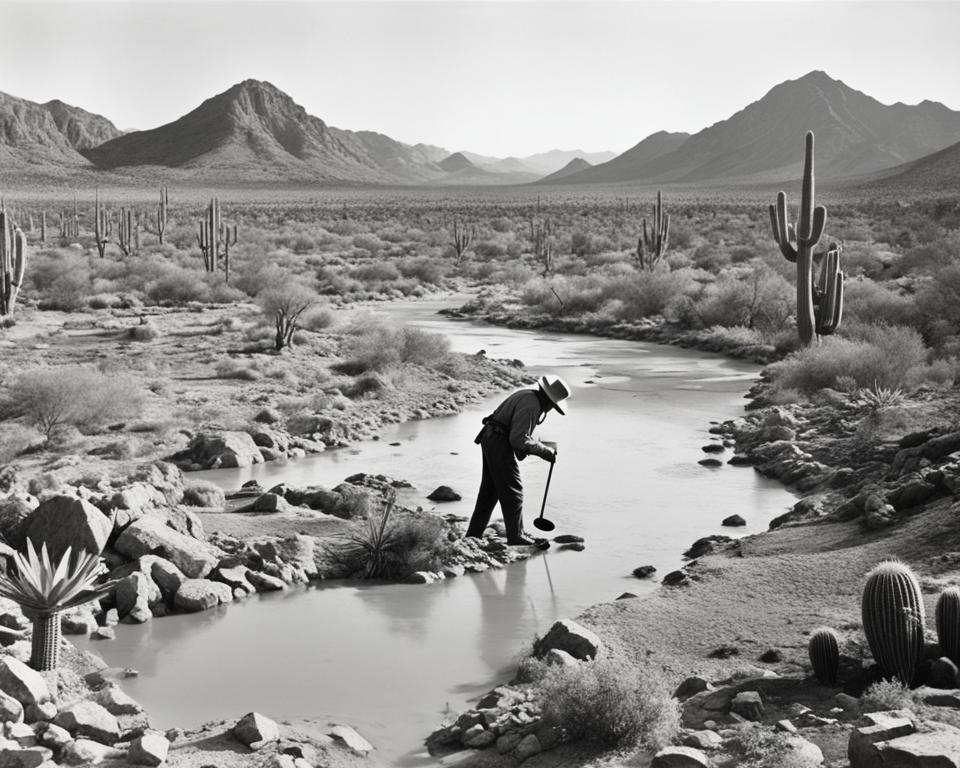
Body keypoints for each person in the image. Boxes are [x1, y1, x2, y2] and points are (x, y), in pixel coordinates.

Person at [465, 375, 570, 545]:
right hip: (498, 441)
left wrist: (541, 447)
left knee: (489, 493)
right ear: (549, 401)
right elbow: (518, 439)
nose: (551, 409)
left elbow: (517, 433)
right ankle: (516, 536)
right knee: (514, 492)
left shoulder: (528, 395)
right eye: (553, 406)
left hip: (491, 437)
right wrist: (545, 451)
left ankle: (473, 536)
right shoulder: (532, 405)